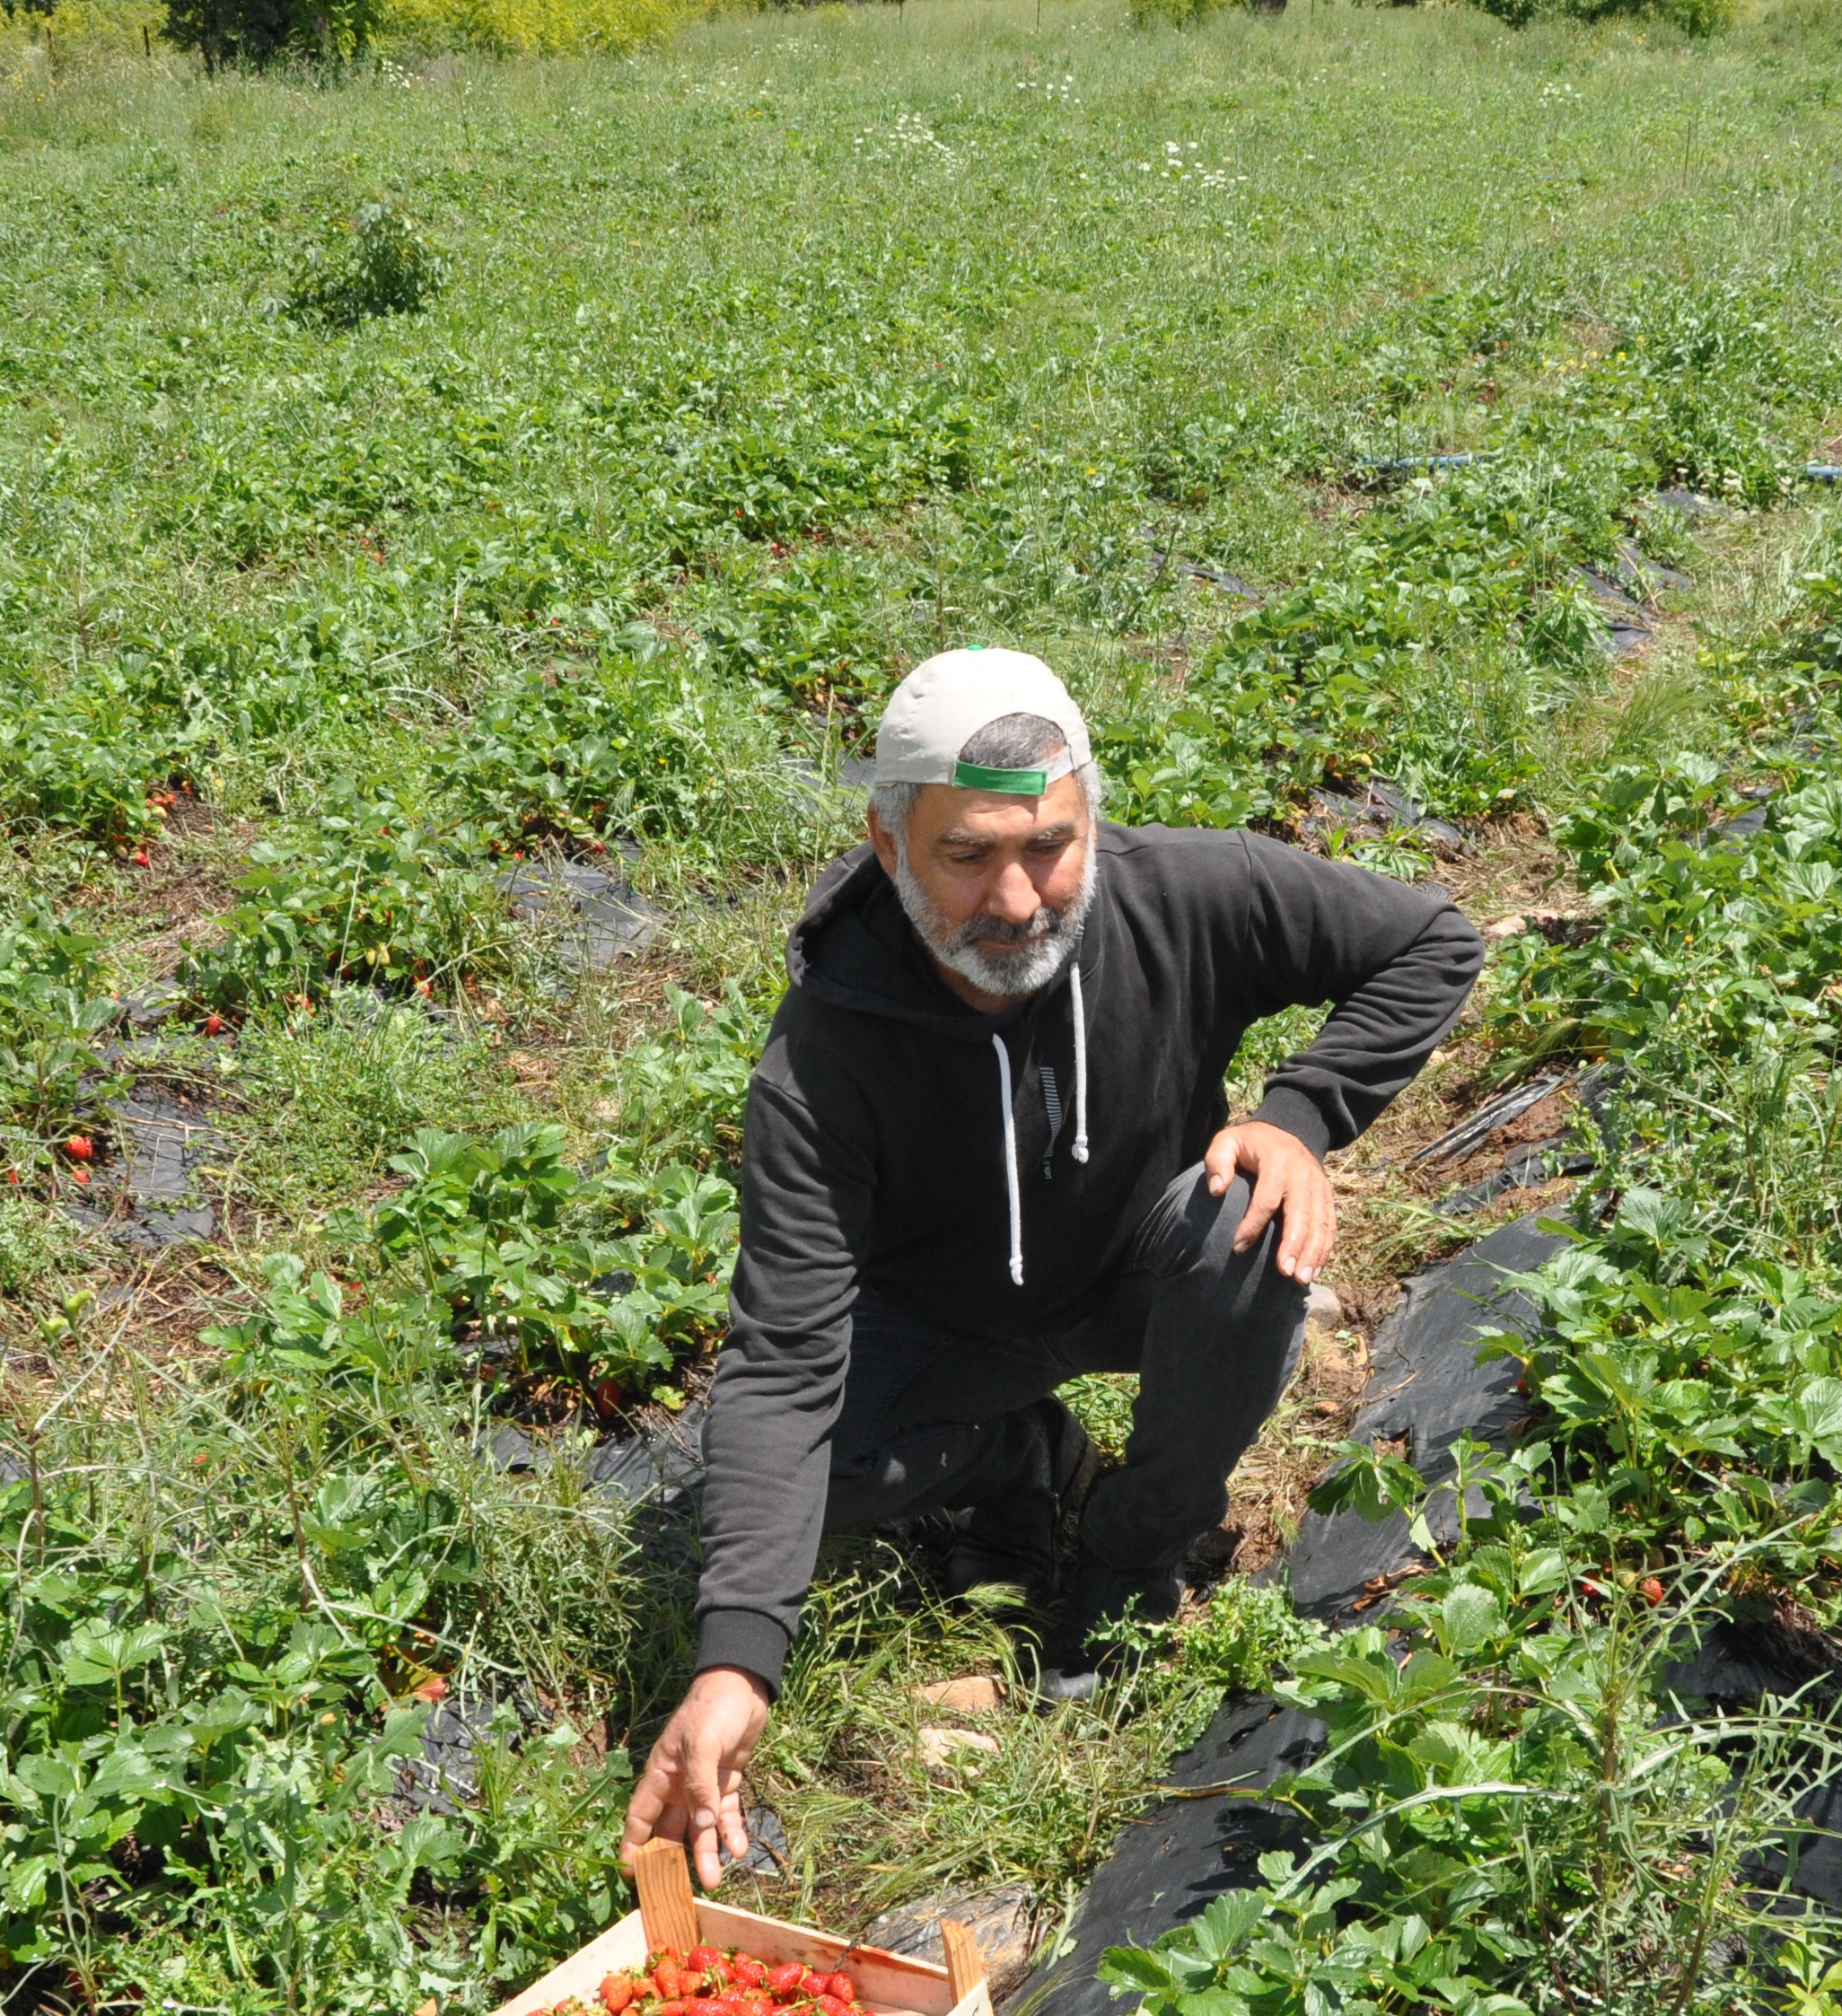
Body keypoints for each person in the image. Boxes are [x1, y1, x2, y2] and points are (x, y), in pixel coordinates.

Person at [621, 648, 1487, 1884]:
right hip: (952, 1329)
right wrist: (734, 1664)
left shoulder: (1185, 895)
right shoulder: (825, 1058)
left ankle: (1135, 1548)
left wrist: (1300, 1116)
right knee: (776, 1500)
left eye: (1050, 846)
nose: (1019, 900)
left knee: (1246, 1224)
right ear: (887, 843)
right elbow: (783, 1356)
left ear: (1093, 814)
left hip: (1152, 1273)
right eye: (967, 854)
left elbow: (1433, 942)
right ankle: (1023, 1458)